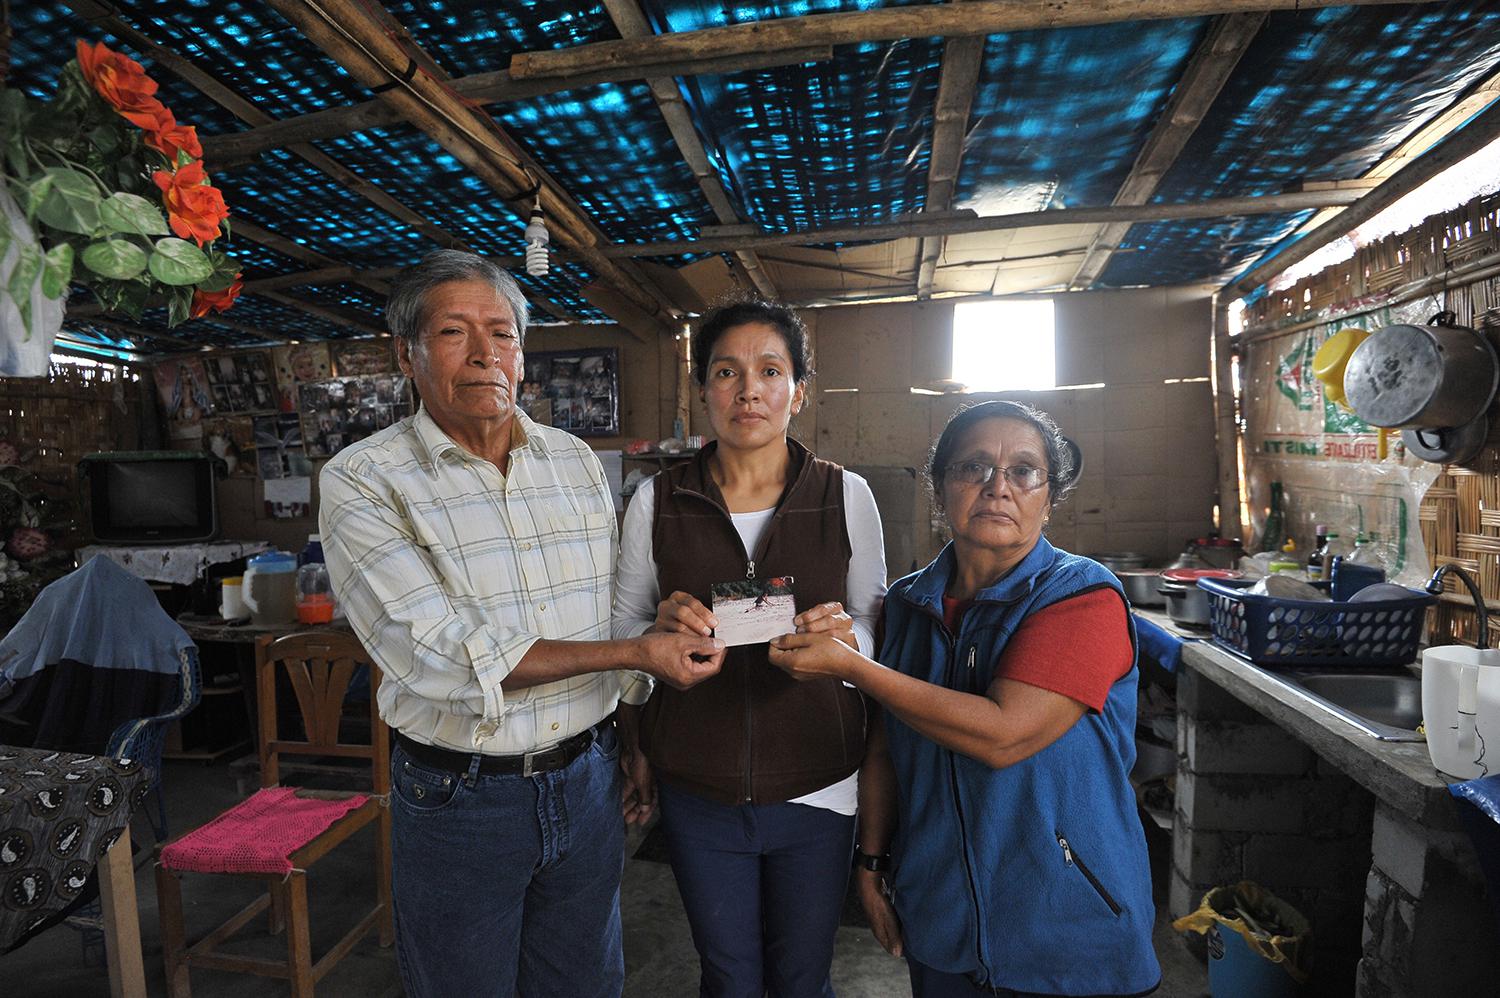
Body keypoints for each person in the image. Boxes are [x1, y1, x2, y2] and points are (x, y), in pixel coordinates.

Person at [320, 250, 725, 998]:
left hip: (588, 778)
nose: (484, 354)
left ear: (522, 351)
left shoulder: (572, 461)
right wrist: (637, 646)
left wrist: (647, 660)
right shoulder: (364, 480)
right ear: (406, 355)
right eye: (453, 332)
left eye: (502, 333)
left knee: (585, 984)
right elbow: (436, 655)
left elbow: (610, 616)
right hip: (461, 800)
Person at [768, 400, 1161, 997]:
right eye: (972, 468)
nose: (997, 487)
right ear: (940, 490)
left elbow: (1004, 734)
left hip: (1068, 925)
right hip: (942, 919)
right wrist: (871, 862)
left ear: (1049, 496)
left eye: (1023, 471)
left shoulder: (1082, 599)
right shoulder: (908, 603)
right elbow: (883, 747)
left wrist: (854, 668)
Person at [612, 297, 888, 998]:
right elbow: (623, 639)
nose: (749, 389)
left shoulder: (845, 495)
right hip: (698, 785)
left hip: (821, 783)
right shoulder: (658, 501)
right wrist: (656, 642)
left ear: (798, 391)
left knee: (802, 978)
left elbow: (873, 627)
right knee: (729, 977)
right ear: (703, 390)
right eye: (726, 372)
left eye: (770, 370)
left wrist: (844, 638)